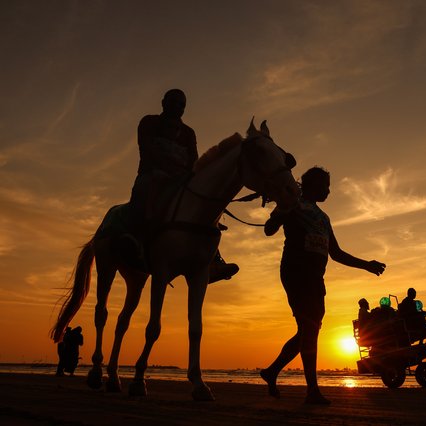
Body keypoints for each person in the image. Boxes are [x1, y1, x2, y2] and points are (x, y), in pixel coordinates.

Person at [260, 167, 386, 405]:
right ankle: (312, 391)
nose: (328, 191)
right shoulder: (292, 204)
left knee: (308, 331)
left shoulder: (323, 217)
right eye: (324, 186)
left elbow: (336, 253)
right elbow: (269, 230)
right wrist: (281, 212)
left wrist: (366, 265)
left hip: (316, 278)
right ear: (310, 185)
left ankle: (272, 371)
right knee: (309, 329)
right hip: (296, 274)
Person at [122, 89, 238, 282]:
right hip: (152, 174)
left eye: (182, 105)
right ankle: (133, 239)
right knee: (143, 188)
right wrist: (170, 169)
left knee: (202, 206)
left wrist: (190, 176)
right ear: (163, 102)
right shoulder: (149, 122)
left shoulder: (188, 133)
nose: (178, 107)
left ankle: (213, 260)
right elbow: (147, 150)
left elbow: (193, 159)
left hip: (179, 179)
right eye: (175, 102)